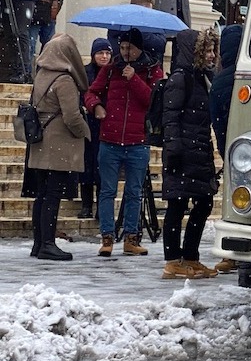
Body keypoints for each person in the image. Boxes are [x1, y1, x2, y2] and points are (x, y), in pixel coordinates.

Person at [84, 27, 163, 257]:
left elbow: (152, 100)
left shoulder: (152, 70)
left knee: (133, 191)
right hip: (110, 138)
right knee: (107, 190)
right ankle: (107, 237)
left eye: (130, 48)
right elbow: (91, 93)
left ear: (139, 49)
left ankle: (131, 237)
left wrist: (134, 79)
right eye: (123, 47)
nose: (125, 52)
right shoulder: (110, 69)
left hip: (137, 140)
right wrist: (96, 107)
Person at [160, 29, 220, 279]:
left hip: (198, 151)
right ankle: (173, 260)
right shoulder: (180, 78)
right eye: (206, 50)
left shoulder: (200, 77)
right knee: (177, 205)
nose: (211, 55)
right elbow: (171, 116)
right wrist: (174, 148)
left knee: (203, 202)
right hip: (183, 153)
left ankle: (190, 256)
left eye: (212, 50)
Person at [25, 35, 90, 261]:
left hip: (41, 142)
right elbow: (72, 117)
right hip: (58, 144)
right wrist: (86, 131)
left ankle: (38, 243)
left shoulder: (41, 75)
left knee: (42, 195)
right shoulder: (64, 80)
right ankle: (48, 243)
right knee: (53, 194)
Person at [208, 24, 251, 282]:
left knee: (235, 202)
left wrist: (223, 145)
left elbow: (218, 119)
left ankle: (233, 255)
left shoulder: (220, 79)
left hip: (234, 150)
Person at [77, 38, 112, 219]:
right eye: (100, 53)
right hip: (88, 124)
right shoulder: (85, 73)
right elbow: (81, 94)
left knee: (102, 168)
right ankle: (86, 205)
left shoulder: (114, 73)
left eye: (107, 53)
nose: (104, 57)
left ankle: (101, 206)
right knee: (87, 166)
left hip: (106, 125)